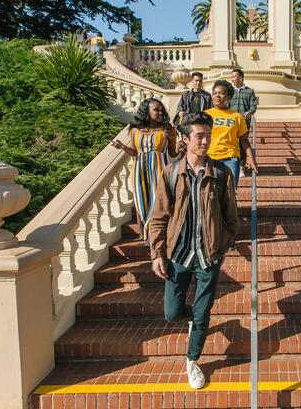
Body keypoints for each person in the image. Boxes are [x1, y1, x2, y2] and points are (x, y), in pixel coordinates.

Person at [148, 112, 239, 390]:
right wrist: (157, 253)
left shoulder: (221, 173)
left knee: (202, 311)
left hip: (208, 256)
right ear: (185, 139)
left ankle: (192, 359)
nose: (205, 141)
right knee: (172, 313)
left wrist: (223, 245)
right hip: (179, 254)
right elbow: (159, 216)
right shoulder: (171, 172)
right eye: (200, 136)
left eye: (208, 136)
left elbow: (231, 216)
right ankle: (197, 319)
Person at [110, 98, 178, 243]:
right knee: (141, 201)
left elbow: (172, 153)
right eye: (156, 110)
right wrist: (122, 147)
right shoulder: (135, 130)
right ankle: (145, 235)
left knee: (159, 201)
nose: (160, 113)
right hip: (139, 170)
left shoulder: (167, 129)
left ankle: (159, 234)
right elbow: (135, 152)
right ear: (146, 111)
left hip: (160, 169)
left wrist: (179, 145)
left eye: (161, 110)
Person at [205, 80, 258, 190]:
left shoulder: (237, 117)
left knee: (230, 193)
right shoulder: (206, 115)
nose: (217, 96)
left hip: (231, 160)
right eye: (214, 93)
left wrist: (251, 158)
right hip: (209, 158)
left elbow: (244, 140)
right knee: (210, 192)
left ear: (229, 96)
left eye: (221, 93)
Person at [229, 69, 258, 176]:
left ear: (240, 78)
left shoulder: (250, 91)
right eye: (231, 77)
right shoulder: (230, 92)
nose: (232, 79)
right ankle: (232, 166)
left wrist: (250, 112)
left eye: (234, 77)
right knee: (232, 144)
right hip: (231, 123)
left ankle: (241, 168)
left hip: (244, 123)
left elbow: (253, 106)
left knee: (242, 144)